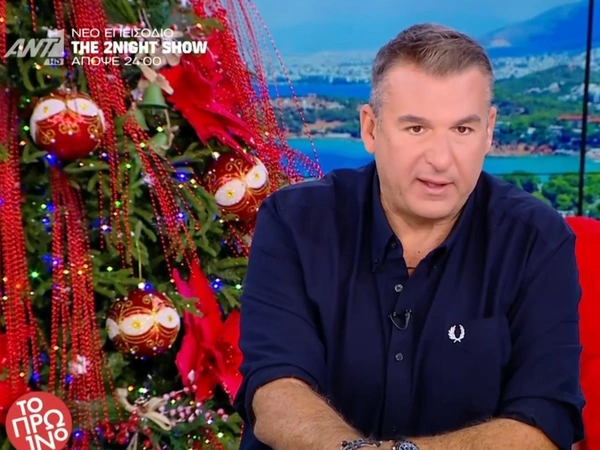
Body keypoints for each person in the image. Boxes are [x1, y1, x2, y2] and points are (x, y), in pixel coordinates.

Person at [233, 23, 585, 450]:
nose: (440, 159)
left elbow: (544, 421)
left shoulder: (537, 240)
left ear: (489, 131)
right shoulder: (294, 222)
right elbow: (275, 391)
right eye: (416, 128)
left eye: (462, 130)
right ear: (370, 128)